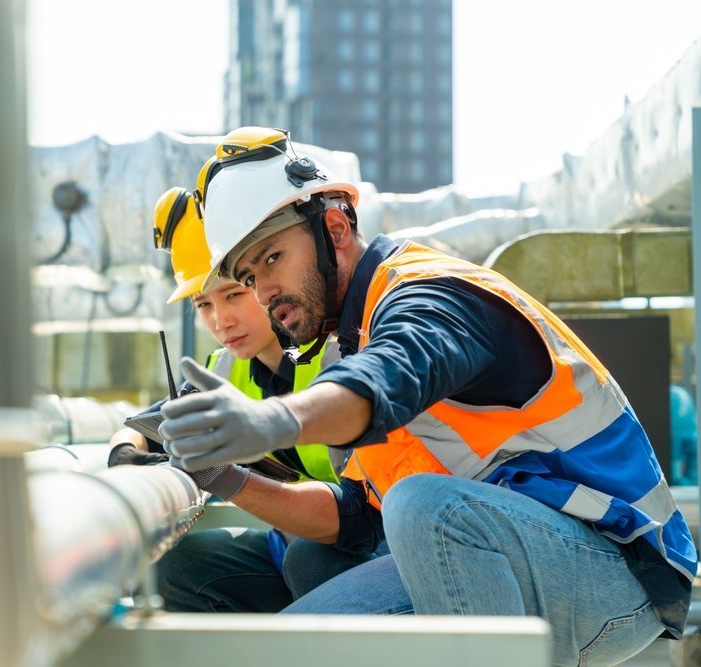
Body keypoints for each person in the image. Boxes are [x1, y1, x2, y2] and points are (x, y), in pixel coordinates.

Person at [159, 128, 696, 666]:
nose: (264, 293)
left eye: (272, 258)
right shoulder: (357, 335)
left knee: (423, 506)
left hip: (617, 567)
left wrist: (268, 420)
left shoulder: (429, 291)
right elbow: (355, 518)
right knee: (297, 629)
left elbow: (390, 375)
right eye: (249, 277)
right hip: (512, 550)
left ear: (336, 227)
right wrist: (224, 473)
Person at [109, 182, 386, 613]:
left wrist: (223, 476)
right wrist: (126, 455)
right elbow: (144, 427)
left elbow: (356, 520)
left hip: (372, 546)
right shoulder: (225, 370)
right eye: (203, 305)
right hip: (295, 540)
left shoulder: (342, 354)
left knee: (311, 560)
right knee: (175, 569)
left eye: (235, 294)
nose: (222, 320)